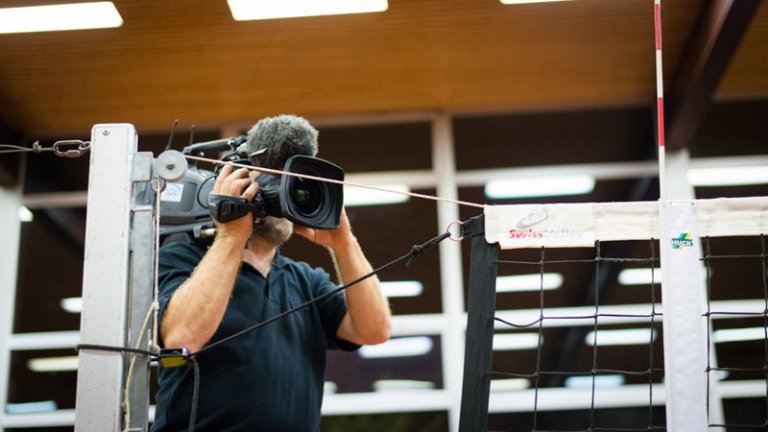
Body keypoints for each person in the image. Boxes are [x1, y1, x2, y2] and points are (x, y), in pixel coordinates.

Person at [151, 115, 392, 431]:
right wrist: (231, 233)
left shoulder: (304, 279)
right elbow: (181, 337)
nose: (287, 197)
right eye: (275, 181)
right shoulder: (182, 257)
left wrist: (344, 243)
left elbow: (374, 331)